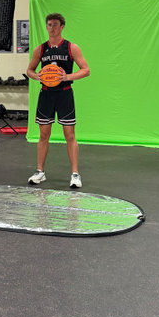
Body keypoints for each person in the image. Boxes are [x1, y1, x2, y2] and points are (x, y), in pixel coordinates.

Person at [25, 13, 90, 188]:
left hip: (64, 94)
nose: (51, 28)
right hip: (46, 95)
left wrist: (67, 76)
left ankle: (75, 174)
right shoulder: (40, 49)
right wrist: (37, 76)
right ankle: (40, 172)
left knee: (70, 135)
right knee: (43, 135)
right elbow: (30, 70)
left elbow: (86, 70)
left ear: (62, 27)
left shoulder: (71, 48)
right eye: (49, 25)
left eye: (55, 24)